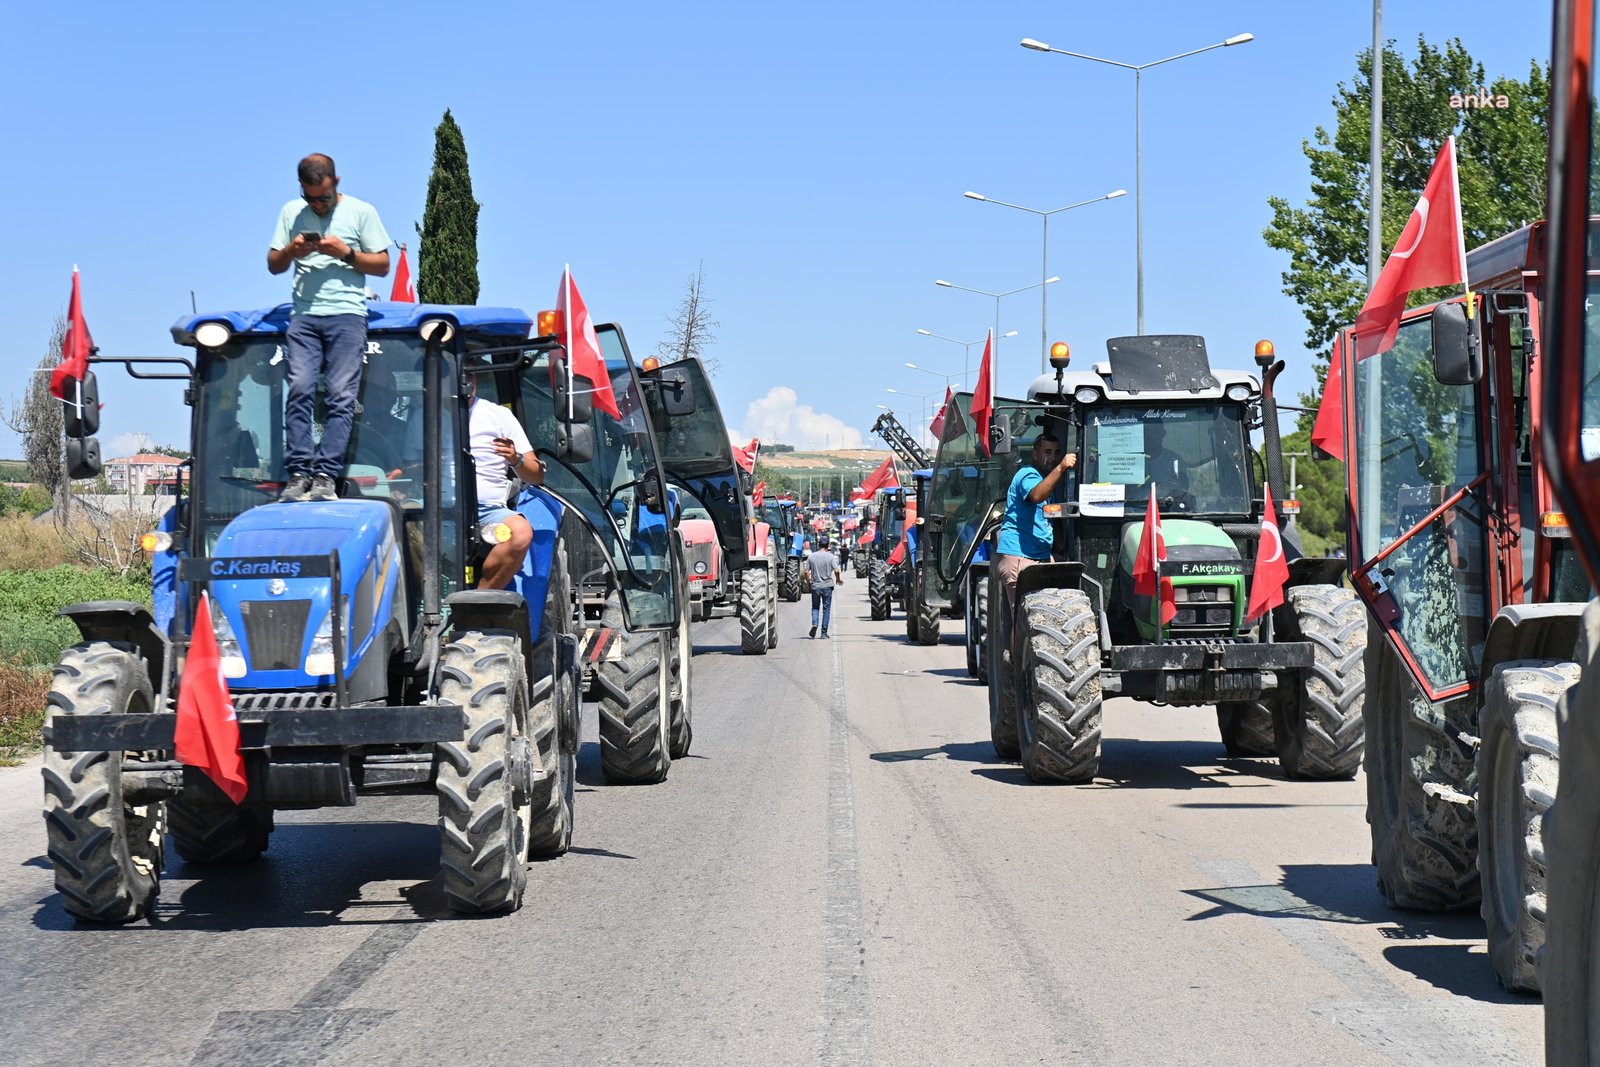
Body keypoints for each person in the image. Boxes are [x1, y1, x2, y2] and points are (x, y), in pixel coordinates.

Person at [267, 153, 391, 502]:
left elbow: (382, 265)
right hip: (304, 316)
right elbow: (273, 264)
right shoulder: (291, 212)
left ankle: (325, 475)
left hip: (348, 315)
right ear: (301, 191)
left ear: (336, 183)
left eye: (323, 198)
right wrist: (292, 249)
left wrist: (346, 253)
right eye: (310, 199)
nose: (317, 206)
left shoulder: (361, 212)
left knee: (340, 396)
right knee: (300, 390)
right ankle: (298, 474)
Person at [466, 376, 545, 589]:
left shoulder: (498, 415)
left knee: (520, 532)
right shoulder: (424, 415)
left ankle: (480, 601)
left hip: (487, 511)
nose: (466, 380)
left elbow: (536, 474)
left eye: (470, 374)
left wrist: (515, 458)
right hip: (432, 507)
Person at [996, 433, 1077, 617]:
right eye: (1047, 452)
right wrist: (1062, 466)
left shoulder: (1047, 481)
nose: (1053, 457)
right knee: (1024, 618)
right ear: (1035, 454)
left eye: (1056, 453)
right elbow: (1036, 496)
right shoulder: (1028, 474)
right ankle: (1017, 646)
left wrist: (1059, 536)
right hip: (1020, 557)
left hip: (1040, 556)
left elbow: (1049, 511)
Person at [807, 535, 843, 639]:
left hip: (815, 586)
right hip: (827, 586)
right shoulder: (830, 556)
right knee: (826, 609)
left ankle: (814, 624)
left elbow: (806, 572)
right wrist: (838, 579)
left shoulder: (811, 556)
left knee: (815, 607)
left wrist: (809, 584)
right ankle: (823, 633)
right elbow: (836, 570)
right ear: (828, 545)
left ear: (819, 544)